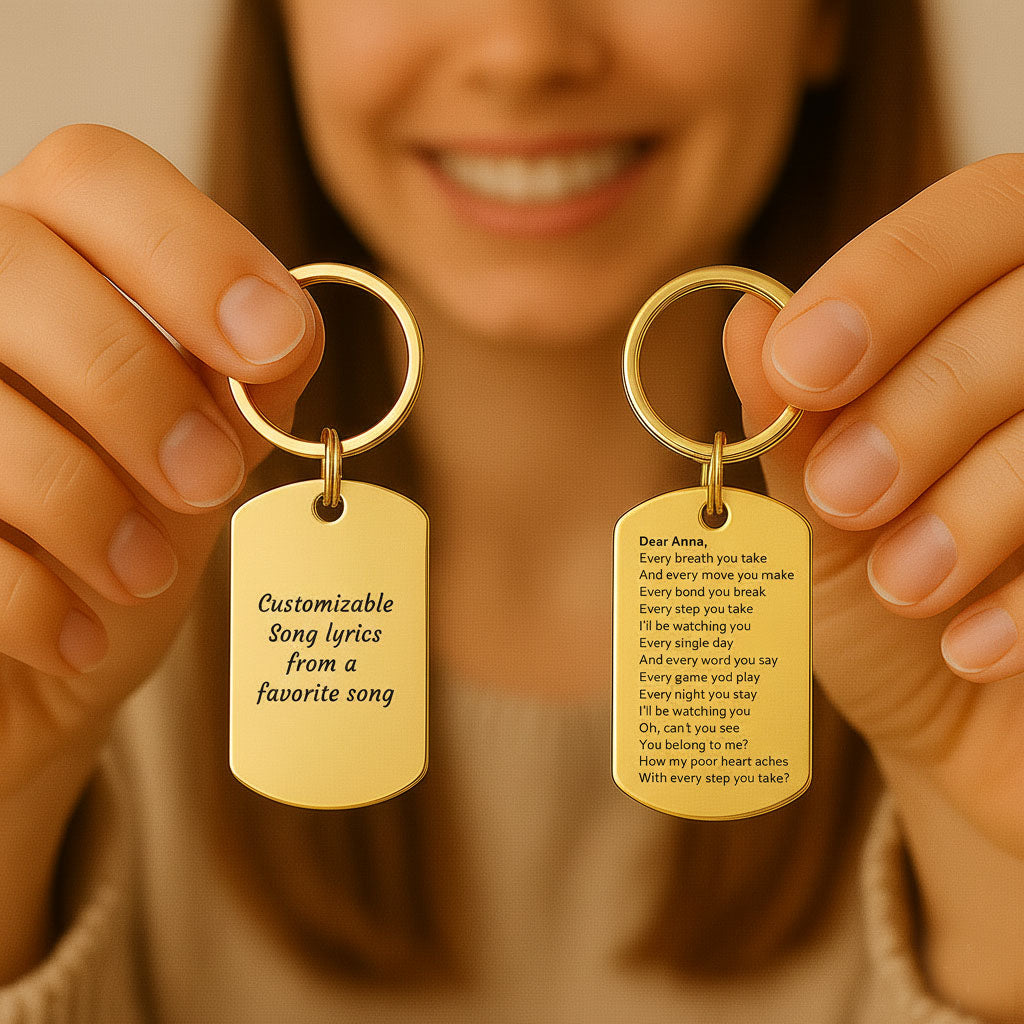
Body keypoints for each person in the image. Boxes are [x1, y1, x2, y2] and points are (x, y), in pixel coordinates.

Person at [1, 0, 1023, 1020]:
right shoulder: (63, 606)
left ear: (827, 16)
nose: (522, 50)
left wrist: (999, 888)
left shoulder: (982, 625)